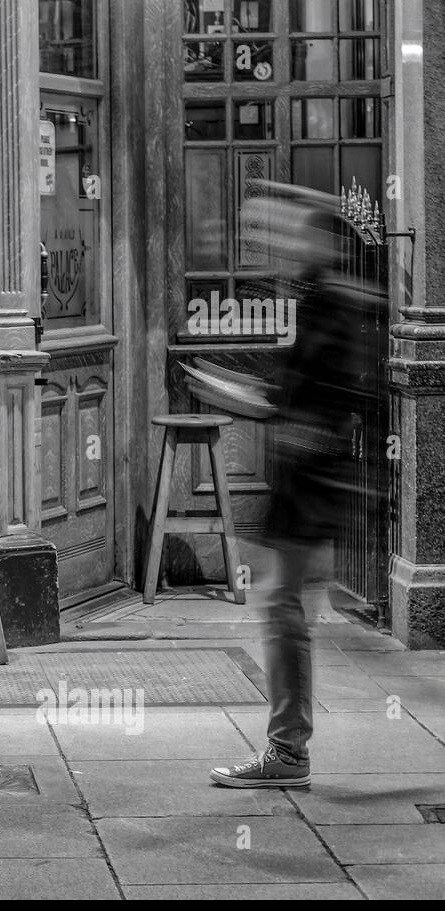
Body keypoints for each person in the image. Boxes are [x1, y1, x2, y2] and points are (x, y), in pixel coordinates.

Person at [211, 192, 377, 788]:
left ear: (324, 244)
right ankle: (287, 747)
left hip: (311, 483)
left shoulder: (331, 303)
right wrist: (260, 399)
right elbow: (310, 392)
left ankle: (287, 751)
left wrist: (267, 407)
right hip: (307, 481)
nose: (279, 246)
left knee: (282, 609)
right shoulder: (314, 297)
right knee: (282, 607)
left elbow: (337, 398)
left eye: (292, 237)